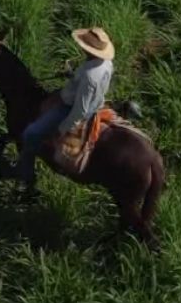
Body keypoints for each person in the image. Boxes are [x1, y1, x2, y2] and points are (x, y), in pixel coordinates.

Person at [14, 26, 115, 187]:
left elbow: (80, 110)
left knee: (30, 134)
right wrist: (74, 76)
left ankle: (26, 177)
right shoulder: (106, 63)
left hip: (70, 107)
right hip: (95, 102)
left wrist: (62, 128)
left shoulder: (90, 76)